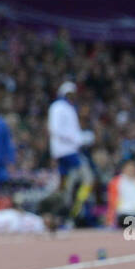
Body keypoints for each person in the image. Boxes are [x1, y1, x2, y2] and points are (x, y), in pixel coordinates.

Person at [48, 80, 95, 227]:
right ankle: (72, 211)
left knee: (68, 186)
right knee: (86, 178)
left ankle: (65, 215)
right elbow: (55, 129)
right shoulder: (58, 107)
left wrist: (80, 138)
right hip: (66, 151)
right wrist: (76, 139)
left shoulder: (68, 107)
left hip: (69, 150)